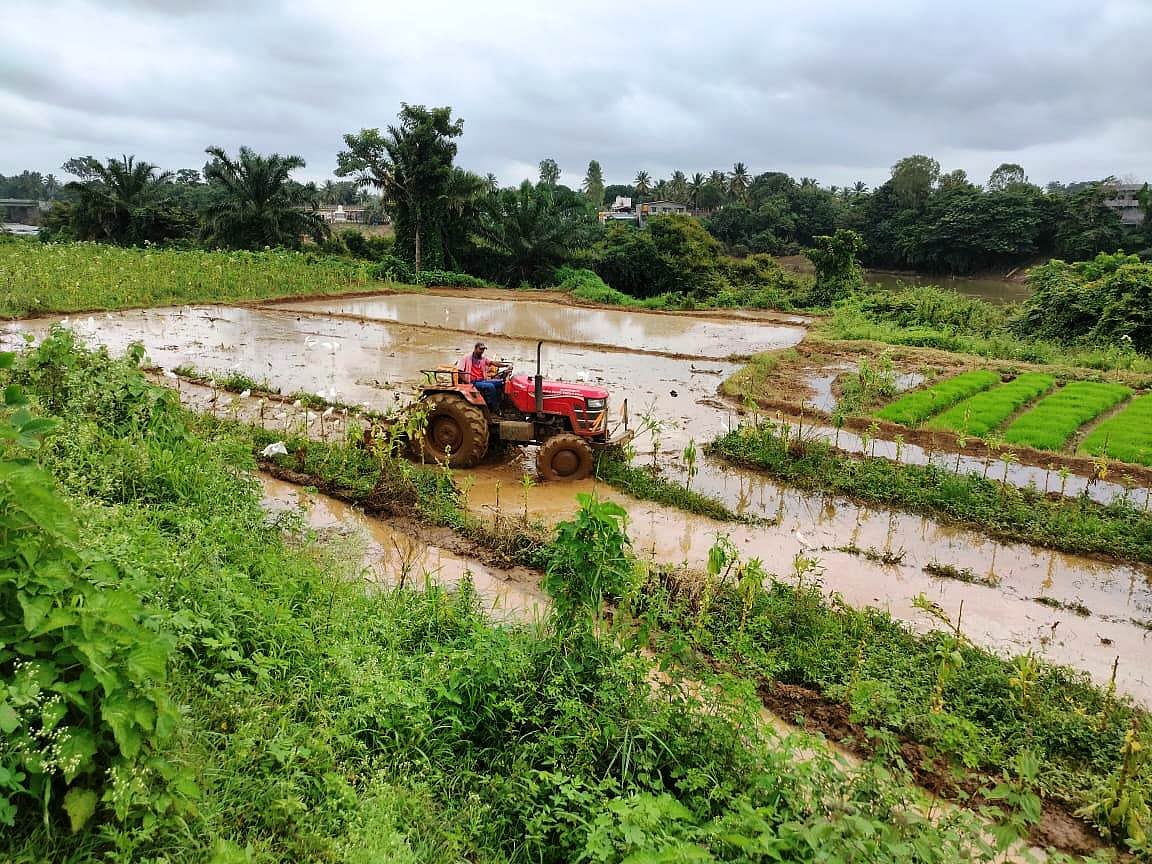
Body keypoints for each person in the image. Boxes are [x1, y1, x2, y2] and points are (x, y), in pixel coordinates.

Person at [457, 341, 509, 410]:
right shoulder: (466, 358)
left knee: (501, 383)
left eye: (483, 349)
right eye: (480, 349)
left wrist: (506, 365)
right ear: (475, 349)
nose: (482, 351)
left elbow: (492, 362)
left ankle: (500, 403)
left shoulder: (483, 358)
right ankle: (494, 408)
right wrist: (467, 382)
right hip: (472, 381)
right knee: (490, 386)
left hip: (482, 380)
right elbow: (460, 371)